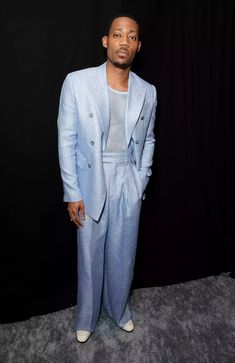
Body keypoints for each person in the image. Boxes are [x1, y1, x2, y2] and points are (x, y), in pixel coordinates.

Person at [57, 13, 157, 343]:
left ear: (138, 45)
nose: (124, 41)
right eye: (118, 34)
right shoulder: (77, 82)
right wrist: (72, 191)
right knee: (89, 251)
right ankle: (86, 317)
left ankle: (119, 310)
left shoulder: (148, 91)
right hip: (91, 177)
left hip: (127, 176)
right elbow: (67, 137)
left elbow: (150, 138)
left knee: (123, 250)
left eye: (131, 36)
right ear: (106, 41)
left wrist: (141, 178)